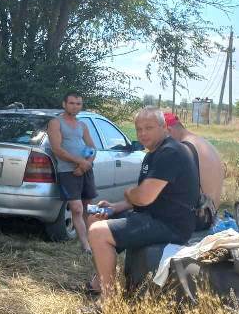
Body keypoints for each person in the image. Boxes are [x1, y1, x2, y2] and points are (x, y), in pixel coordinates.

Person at [87, 107, 199, 301]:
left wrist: (128, 193)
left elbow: (143, 197)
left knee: (99, 232)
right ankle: (100, 280)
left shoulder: (170, 153)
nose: (142, 133)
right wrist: (115, 207)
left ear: (164, 127)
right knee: (94, 217)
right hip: (152, 217)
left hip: (170, 225)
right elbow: (145, 198)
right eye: (138, 129)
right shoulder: (154, 153)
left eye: (149, 128)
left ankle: (108, 302)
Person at [46, 91, 97, 253]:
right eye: (72, 103)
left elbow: (91, 147)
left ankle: (93, 240)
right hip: (67, 171)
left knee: (87, 207)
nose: (75, 106)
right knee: (76, 208)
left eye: (78, 104)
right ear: (64, 104)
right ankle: (85, 246)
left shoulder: (82, 125)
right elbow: (57, 149)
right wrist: (79, 162)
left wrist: (86, 164)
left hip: (84, 170)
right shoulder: (56, 122)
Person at [164, 112, 223, 225]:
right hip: (211, 215)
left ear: (169, 130)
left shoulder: (184, 149)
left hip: (197, 219)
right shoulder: (204, 143)